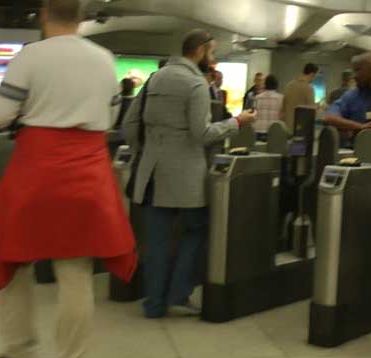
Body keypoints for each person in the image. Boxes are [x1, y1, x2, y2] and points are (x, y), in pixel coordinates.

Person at [0, 0, 138, 358]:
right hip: (87, 170)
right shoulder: (104, 59)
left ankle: (19, 348)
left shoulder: (31, 57)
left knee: (12, 257)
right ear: (81, 18)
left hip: (35, 170)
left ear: (44, 15)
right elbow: (112, 116)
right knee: (76, 269)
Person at [131, 29, 256, 319]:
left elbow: (130, 122)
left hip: (151, 174)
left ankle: (154, 304)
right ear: (199, 51)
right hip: (185, 175)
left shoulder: (154, 79)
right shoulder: (195, 84)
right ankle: (178, 293)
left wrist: (147, 151)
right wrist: (237, 122)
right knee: (196, 230)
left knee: (156, 240)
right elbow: (202, 134)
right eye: (211, 54)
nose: (213, 61)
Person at [283, 63, 319, 130]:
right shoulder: (309, 89)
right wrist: (318, 107)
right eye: (314, 76)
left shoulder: (289, 85)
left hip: (286, 128)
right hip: (300, 130)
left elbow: (283, 108)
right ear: (312, 74)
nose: (313, 79)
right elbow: (312, 113)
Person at [254, 74, 284, 141]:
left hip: (258, 129)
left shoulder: (257, 97)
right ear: (276, 85)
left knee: (259, 149)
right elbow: (281, 115)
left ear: (265, 84)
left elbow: (254, 114)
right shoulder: (280, 98)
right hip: (273, 130)